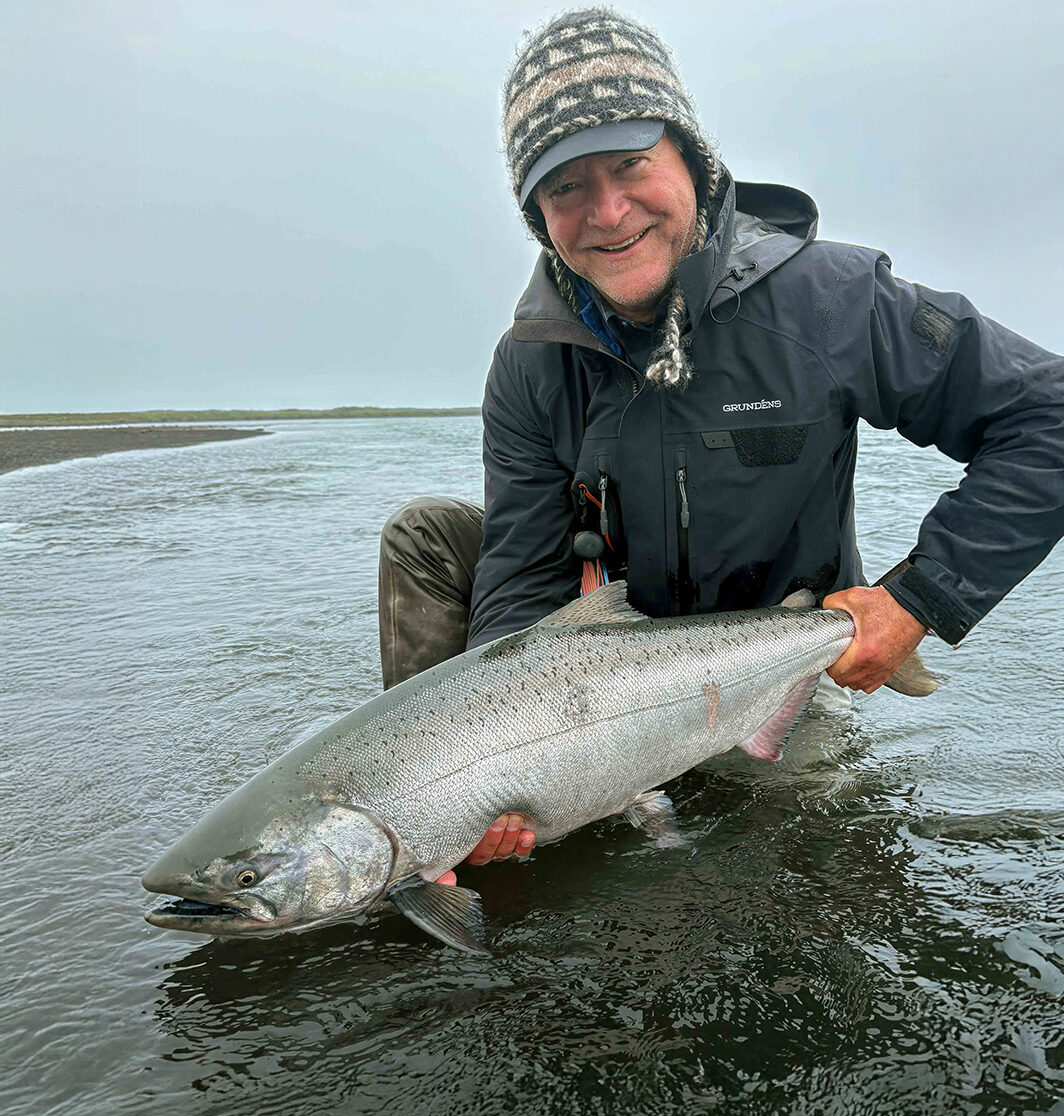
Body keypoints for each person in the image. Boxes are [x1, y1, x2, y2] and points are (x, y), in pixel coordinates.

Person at [378, 9, 1064, 876]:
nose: (608, 212)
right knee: (426, 538)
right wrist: (477, 775)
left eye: (629, 166)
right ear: (535, 214)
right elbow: (519, 583)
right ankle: (414, 818)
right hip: (603, 660)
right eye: (566, 190)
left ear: (692, 163)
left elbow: (1049, 415)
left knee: (801, 862)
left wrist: (919, 599)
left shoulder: (830, 300)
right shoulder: (529, 363)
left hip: (777, 649)